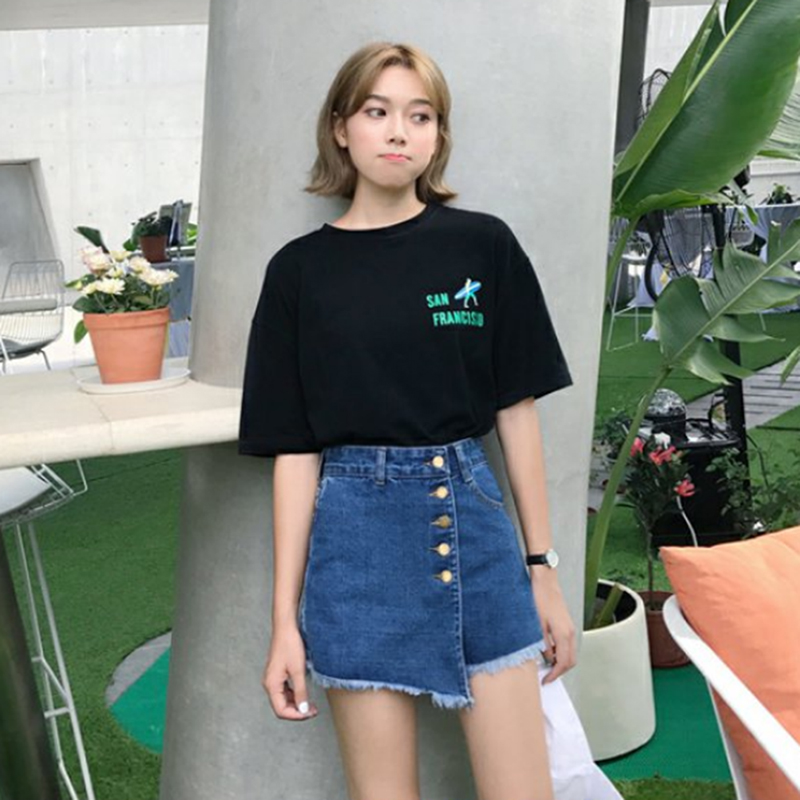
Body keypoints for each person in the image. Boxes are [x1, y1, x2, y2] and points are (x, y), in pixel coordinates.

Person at [239, 41, 581, 800]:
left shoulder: (483, 245)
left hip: (477, 532)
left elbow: (515, 412)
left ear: (438, 135)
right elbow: (295, 452)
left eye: (420, 116)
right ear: (341, 128)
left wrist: (542, 572)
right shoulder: (298, 272)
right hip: (353, 550)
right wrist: (284, 622)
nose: (399, 131)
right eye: (378, 111)